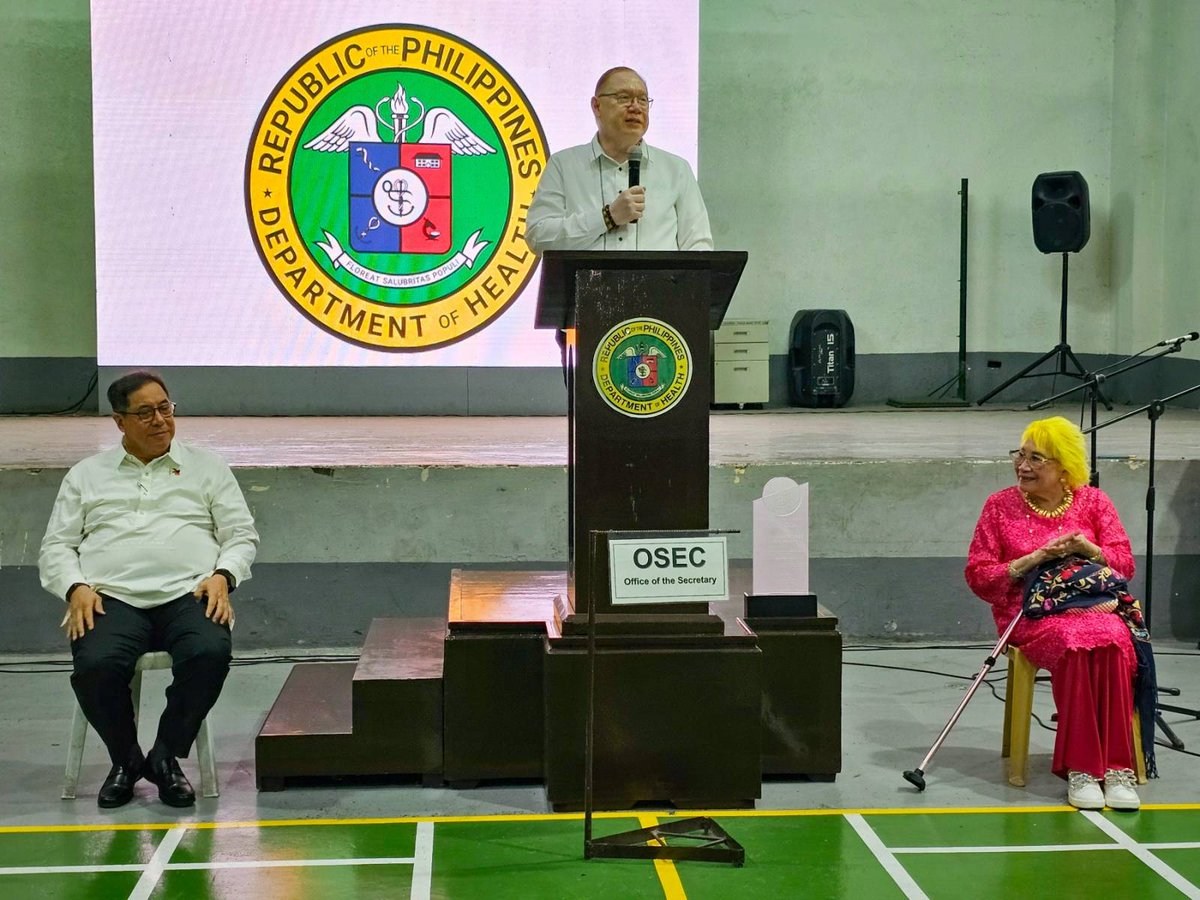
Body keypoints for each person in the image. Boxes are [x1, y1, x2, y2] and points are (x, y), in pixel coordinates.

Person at [39, 372, 258, 809]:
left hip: (189, 593)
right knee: (95, 665)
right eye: (145, 413)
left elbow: (241, 535)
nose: (160, 420)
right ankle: (125, 759)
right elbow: (57, 545)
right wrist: (75, 586)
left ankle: (164, 757)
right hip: (111, 598)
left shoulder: (207, 467)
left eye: (165, 408)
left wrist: (223, 575)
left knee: (210, 652)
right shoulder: (86, 475)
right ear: (120, 421)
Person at [965, 416, 1150, 810]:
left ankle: (1117, 768)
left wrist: (1089, 549)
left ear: (1064, 467)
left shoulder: (1094, 502)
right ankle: (1082, 768)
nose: (1023, 466)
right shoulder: (999, 507)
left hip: (1091, 605)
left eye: (1036, 459)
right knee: (1074, 640)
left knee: (1115, 639)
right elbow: (980, 577)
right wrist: (1034, 558)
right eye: (1021, 455)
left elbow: (1125, 566)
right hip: (1029, 613)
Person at [525, 66, 713, 255]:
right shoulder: (563, 165)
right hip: (585, 285)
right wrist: (608, 217)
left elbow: (699, 247)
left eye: (642, 100)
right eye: (624, 98)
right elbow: (538, 237)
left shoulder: (677, 170)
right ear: (597, 106)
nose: (636, 107)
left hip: (657, 285)